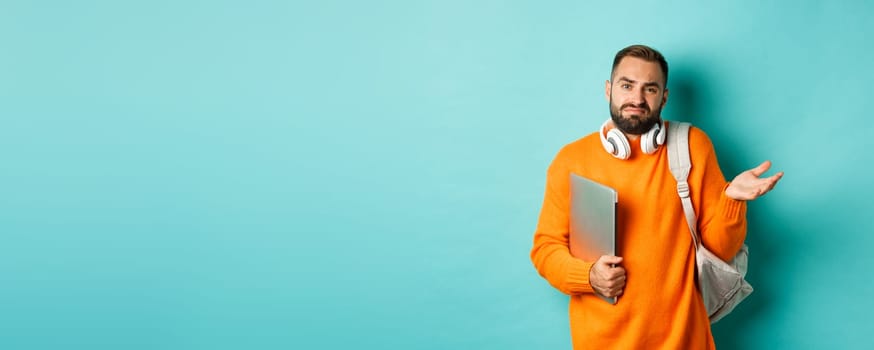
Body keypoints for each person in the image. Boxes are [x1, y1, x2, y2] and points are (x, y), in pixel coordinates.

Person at [529, 44, 783, 349]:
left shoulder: (692, 146)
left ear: (664, 97)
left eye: (650, 89)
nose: (636, 99)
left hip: (685, 341)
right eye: (627, 85)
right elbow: (546, 250)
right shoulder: (571, 160)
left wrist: (732, 201)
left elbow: (719, 250)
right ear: (609, 89)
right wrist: (588, 276)